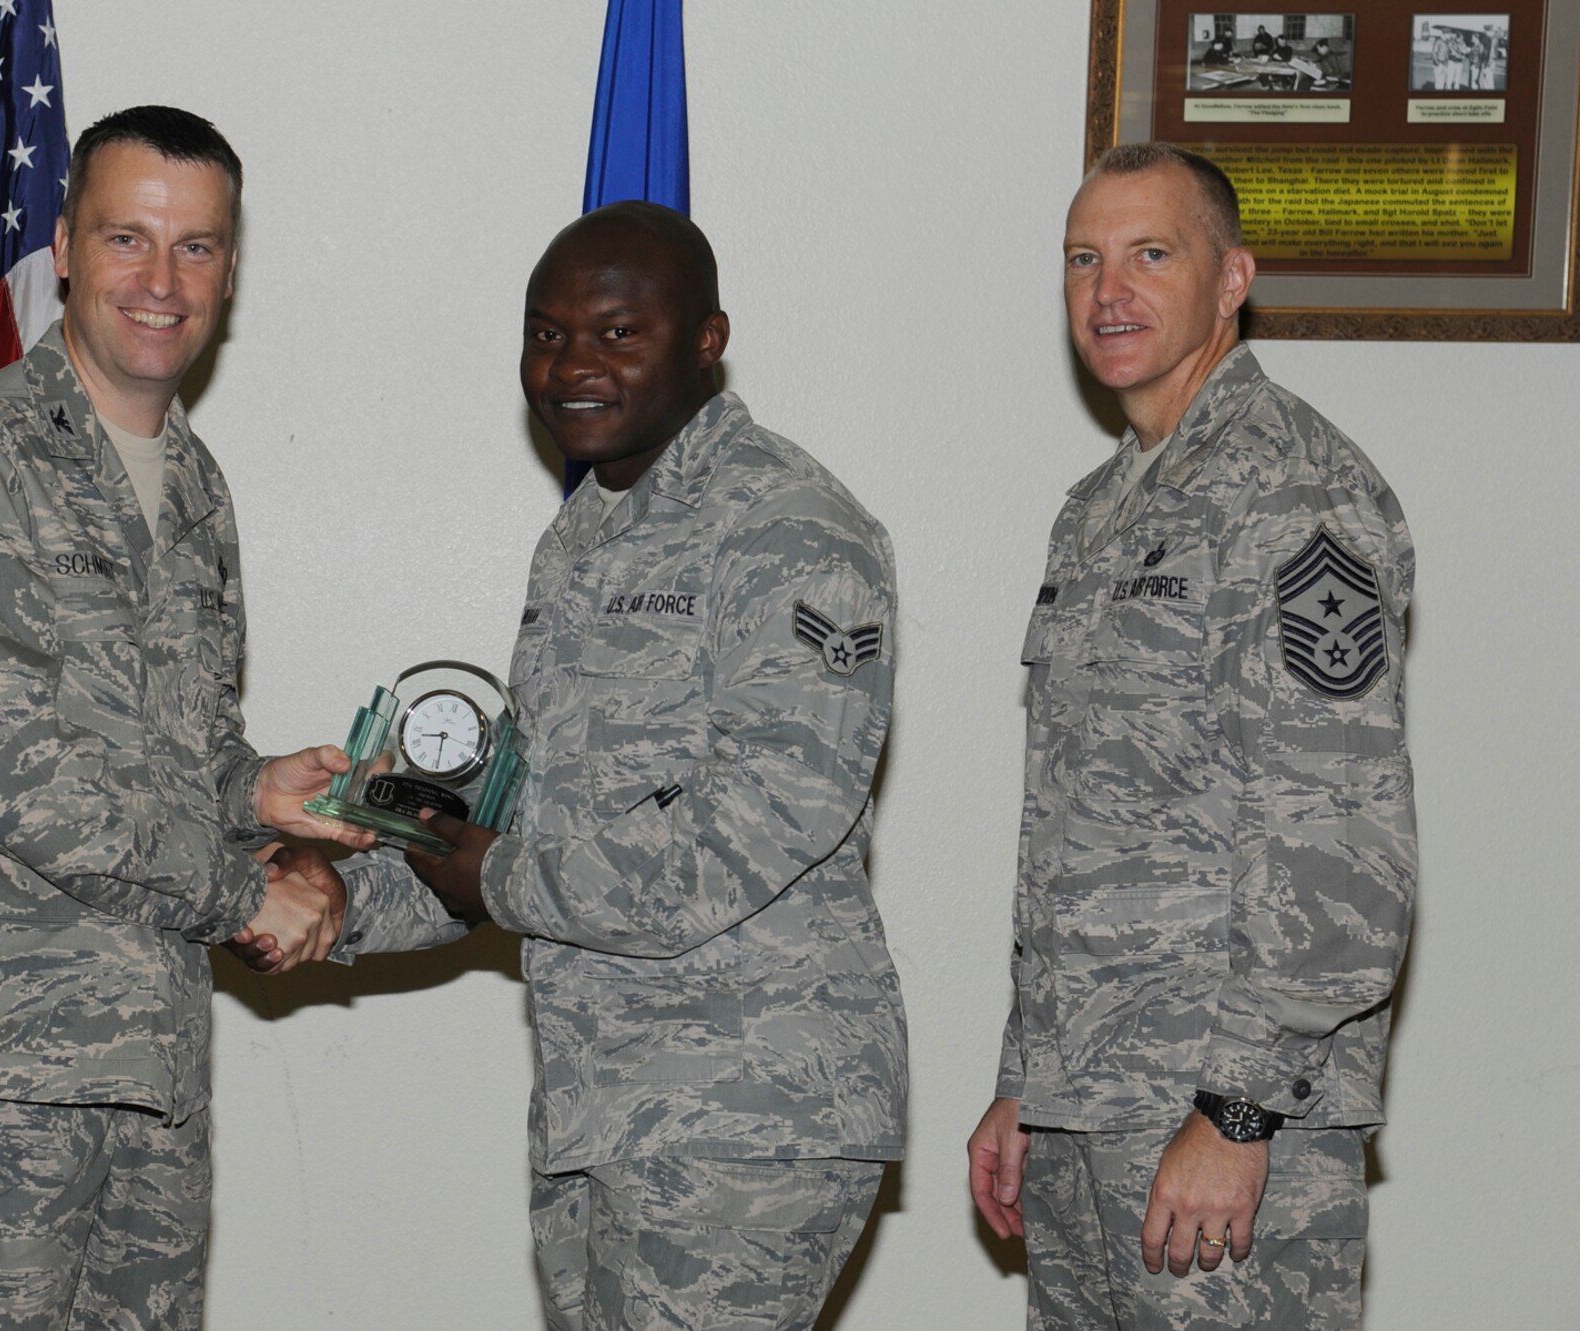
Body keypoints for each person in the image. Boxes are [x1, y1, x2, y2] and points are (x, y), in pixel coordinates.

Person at [0, 106, 370, 1329]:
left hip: (144, 1093)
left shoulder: (196, 486)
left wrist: (253, 789)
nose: (161, 282)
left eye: (198, 248)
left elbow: (160, 748)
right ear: (61, 247)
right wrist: (240, 894)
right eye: (128, 238)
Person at [337, 201, 907, 1330]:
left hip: (743, 1111)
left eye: (616, 333)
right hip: (609, 1102)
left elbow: (759, 819)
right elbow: (522, 814)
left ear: (706, 339)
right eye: (544, 334)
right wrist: (314, 895)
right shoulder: (589, 530)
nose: (570, 366)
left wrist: (497, 877)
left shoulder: (785, 526)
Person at [966, 144, 1416, 1328]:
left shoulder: (1295, 493)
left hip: (1215, 1121)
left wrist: (1239, 1111)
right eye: (1083, 259)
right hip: (1090, 1110)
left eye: (1149, 254)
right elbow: (1078, 825)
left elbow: (1335, 837)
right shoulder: (1097, 510)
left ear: (1231, 280)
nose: (1107, 291)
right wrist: (1026, 1082)